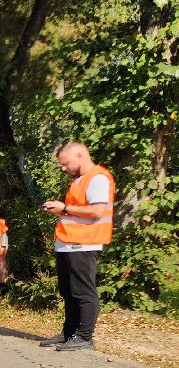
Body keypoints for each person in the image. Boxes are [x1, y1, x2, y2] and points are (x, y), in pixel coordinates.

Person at [42, 141, 114, 351]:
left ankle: (84, 336)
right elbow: (76, 210)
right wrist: (61, 210)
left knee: (83, 292)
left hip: (84, 243)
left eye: (66, 164)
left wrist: (64, 208)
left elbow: (97, 211)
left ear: (80, 155)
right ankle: (69, 332)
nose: (64, 168)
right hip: (67, 243)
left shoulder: (98, 177)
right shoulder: (78, 179)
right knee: (67, 290)